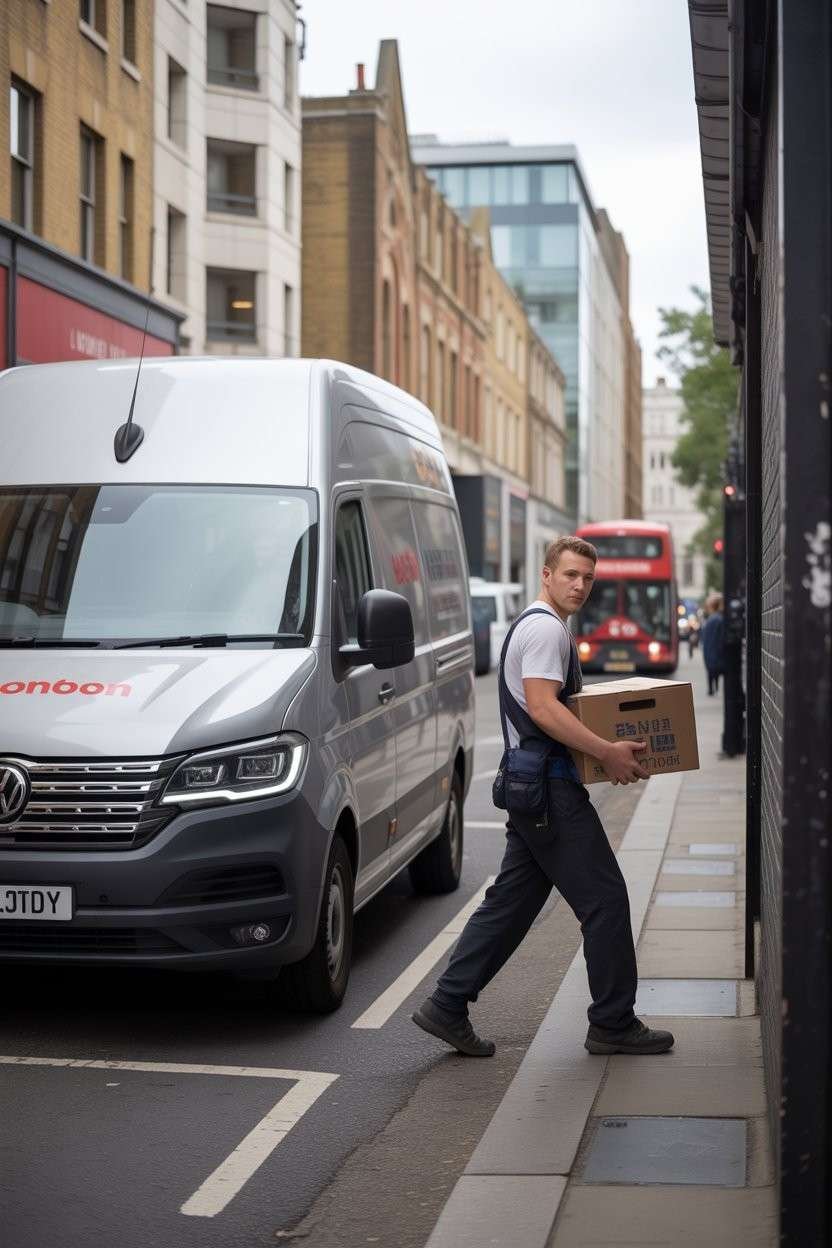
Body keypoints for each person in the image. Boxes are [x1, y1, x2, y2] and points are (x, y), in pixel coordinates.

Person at [412, 536, 675, 1058]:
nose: (579, 585)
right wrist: (607, 751)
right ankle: (612, 1023)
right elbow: (542, 708)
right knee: (605, 901)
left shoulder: (541, 626)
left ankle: (447, 1004)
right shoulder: (545, 630)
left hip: (532, 788)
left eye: (588, 578)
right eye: (571, 574)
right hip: (549, 792)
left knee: (511, 903)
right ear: (546, 575)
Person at [701, 593, 725, 696]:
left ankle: (711, 689)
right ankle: (714, 688)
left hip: (710, 653)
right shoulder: (719, 619)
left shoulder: (711, 619)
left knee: (711, 671)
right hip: (715, 653)